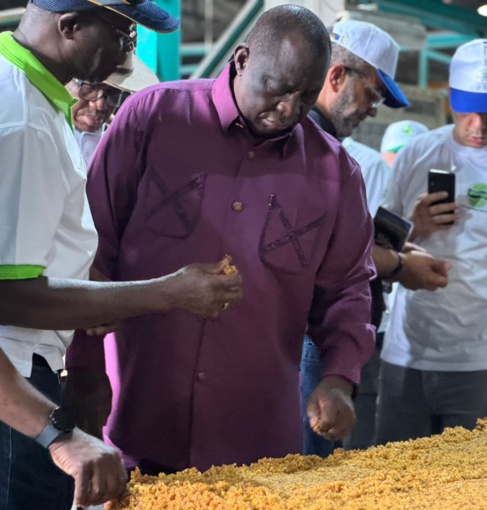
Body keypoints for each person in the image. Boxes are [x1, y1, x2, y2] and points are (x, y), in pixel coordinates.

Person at [65, 4, 376, 475]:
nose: (289, 108)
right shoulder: (154, 118)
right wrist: (85, 368)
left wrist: (337, 380)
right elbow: (92, 247)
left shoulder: (335, 174)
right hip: (133, 425)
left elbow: (348, 291)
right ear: (242, 58)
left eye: (307, 96)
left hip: (256, 448)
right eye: (278, 87)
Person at [0, 1, 241, 509]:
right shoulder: (24, 123)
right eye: (121, 35)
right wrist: (164, 292)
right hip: (15, 370)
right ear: (70, 26)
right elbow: (12, 298)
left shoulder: (31, 101)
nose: (125, 54)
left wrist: (103, 293)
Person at [375, 39, 487, 444]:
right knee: (393, 487)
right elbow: (378, 246)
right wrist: (414, 226)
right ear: (450, 99)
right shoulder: (416, 154)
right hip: (407, 355)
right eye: (467, 110)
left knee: (475, 490)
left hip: (483, 363)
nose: (478, 125)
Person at [299, 20, 450, 456]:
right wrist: (401, 266)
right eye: (373, 94)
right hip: (312, 337)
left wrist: (400, 247)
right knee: (308, 473)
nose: (373, 109)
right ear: (337, 75)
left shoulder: (323, 147)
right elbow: (326, 255)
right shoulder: (312, 149)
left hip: (321, 338)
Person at [66, 53, 159, 164]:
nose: (100, 105)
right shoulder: (47, 131)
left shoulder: (124, 146)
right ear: (66, 82)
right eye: (89, 89)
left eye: (113, 94)